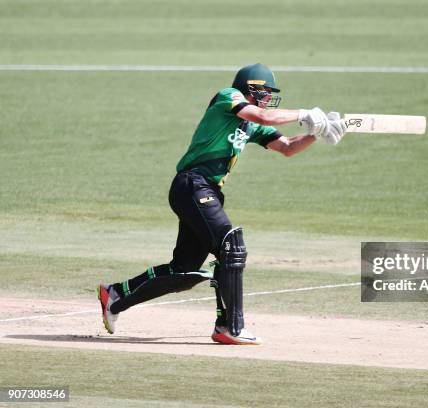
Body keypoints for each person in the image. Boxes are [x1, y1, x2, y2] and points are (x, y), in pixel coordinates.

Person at [96, 63, 346, 345]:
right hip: (193, 184)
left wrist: (319, 133)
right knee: (231, 246)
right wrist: (305, 115)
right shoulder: (228, 97)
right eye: (264, 92)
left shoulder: (250, 125)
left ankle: (115, 295)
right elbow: (264, 115)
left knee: (184, 272)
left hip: (205, 191)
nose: (267, 98)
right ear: (251, 88)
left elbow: (287, 147)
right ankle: (229, 326)